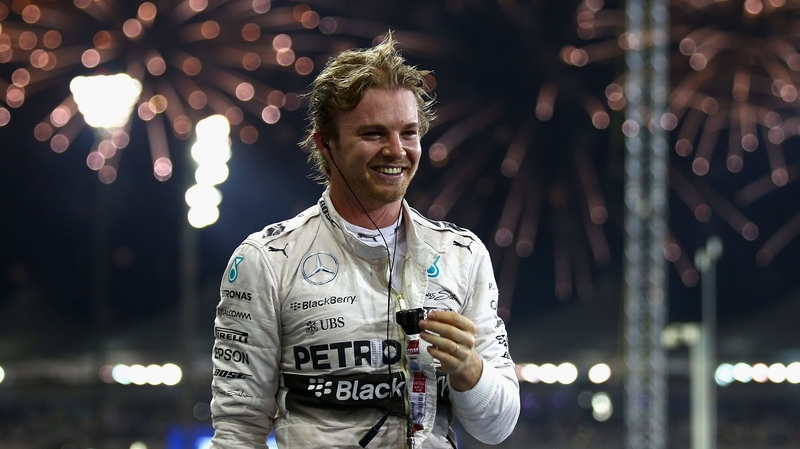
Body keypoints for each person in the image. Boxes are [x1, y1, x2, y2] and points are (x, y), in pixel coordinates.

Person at [210, 35, 519, 448]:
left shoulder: (461, 255)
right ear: (326, 145)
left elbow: (496, 428)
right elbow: (237, 432)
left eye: (409, 133)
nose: (397, 150)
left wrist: (470, 369)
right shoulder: (266, 260)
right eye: (373, 134)